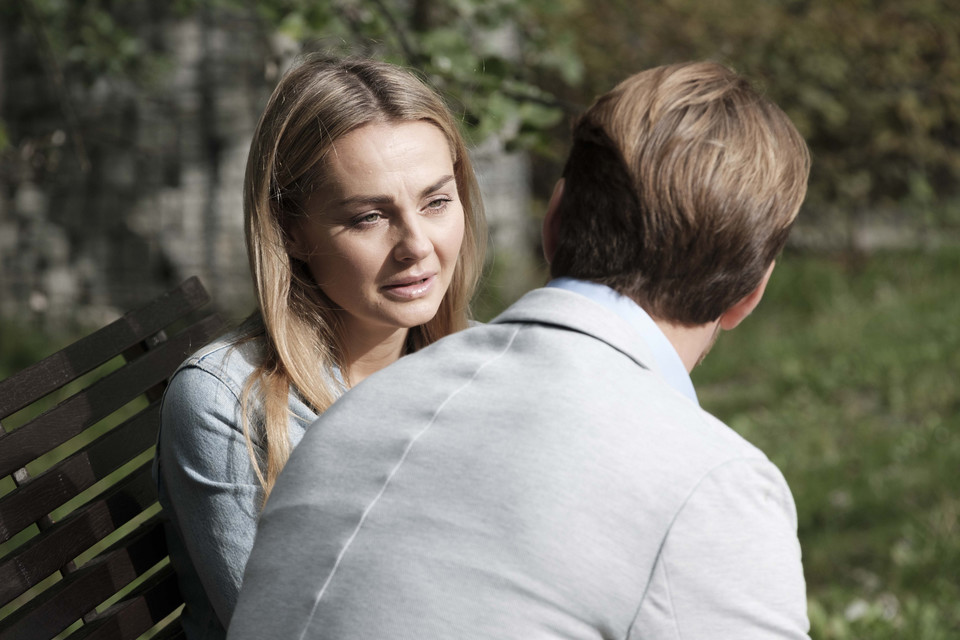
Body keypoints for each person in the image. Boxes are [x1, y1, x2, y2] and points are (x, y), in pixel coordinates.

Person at [228, 61, 813, 639]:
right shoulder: (714, 486)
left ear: (552, 223)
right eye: (369, 216)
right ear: (749, 294)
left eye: (436, 202)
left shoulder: (358, 410)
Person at [152, 54, 486, 640]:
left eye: (436, 202)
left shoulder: (475, 370)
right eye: (368, 217)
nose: (417, 245)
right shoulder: (230, 403)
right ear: (291, 232)